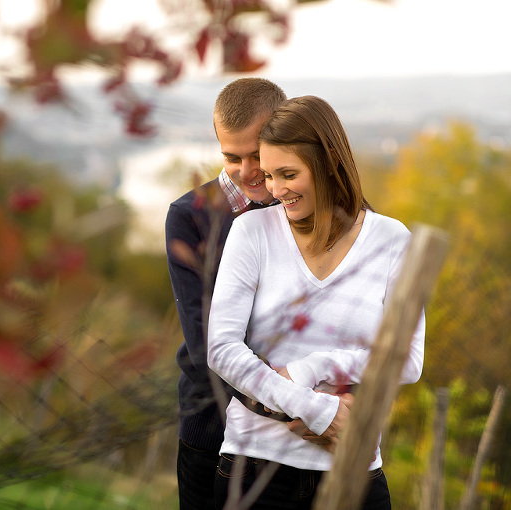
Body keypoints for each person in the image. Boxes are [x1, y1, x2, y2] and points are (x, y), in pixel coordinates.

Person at [207, 95, 425, 510]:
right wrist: (314, 409)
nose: (275, 190)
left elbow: (409, 360)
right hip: (254, 467)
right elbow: (221, 349)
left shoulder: (393, 241)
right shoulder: (252, 232)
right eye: (269, 175)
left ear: (328, 163)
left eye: (288, 174)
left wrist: (313, 368)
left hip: (353, 469)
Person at [165, 78, 286, 510]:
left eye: (257, 154)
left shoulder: (304, 205)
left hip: (301, 433)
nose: (247, 170)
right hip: (213, 421)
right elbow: (204, 344)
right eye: (231, 157)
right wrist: (289, 405)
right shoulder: (189, 217)